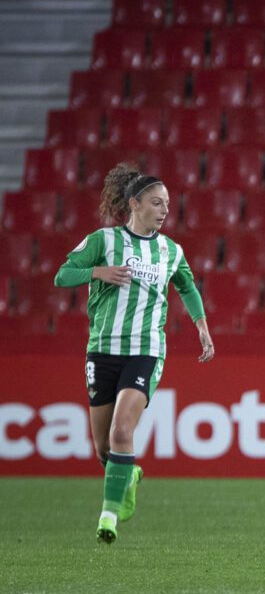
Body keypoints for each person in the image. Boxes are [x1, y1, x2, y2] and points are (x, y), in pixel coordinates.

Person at [54, 163, 215, 544]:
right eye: (156, 203)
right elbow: (62, 275)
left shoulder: (170, 251)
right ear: (134, 204)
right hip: (102, 350)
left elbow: (187, 287)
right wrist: (98, 273)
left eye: (168, 205)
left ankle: (107, 519)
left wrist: (201, 325)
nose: (164, 211)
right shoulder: (103, 241)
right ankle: (130, 475)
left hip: (145, 350)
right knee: (104, 448)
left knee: (122, 430)